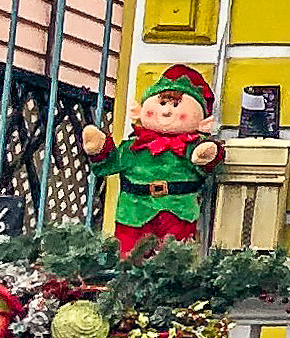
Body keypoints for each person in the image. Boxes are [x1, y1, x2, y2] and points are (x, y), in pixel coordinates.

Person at [81, 64, 225, 258]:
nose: (166, 112)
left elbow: (207, 167)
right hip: (134, 211)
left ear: (202, 121)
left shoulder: (189, 147)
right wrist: (101, 148)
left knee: (173, 259)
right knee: (129, 255)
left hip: (177, 211)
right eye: (162, 103)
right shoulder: (134, 146)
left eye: (175, 106)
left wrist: (207, 155)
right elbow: (108, 164)